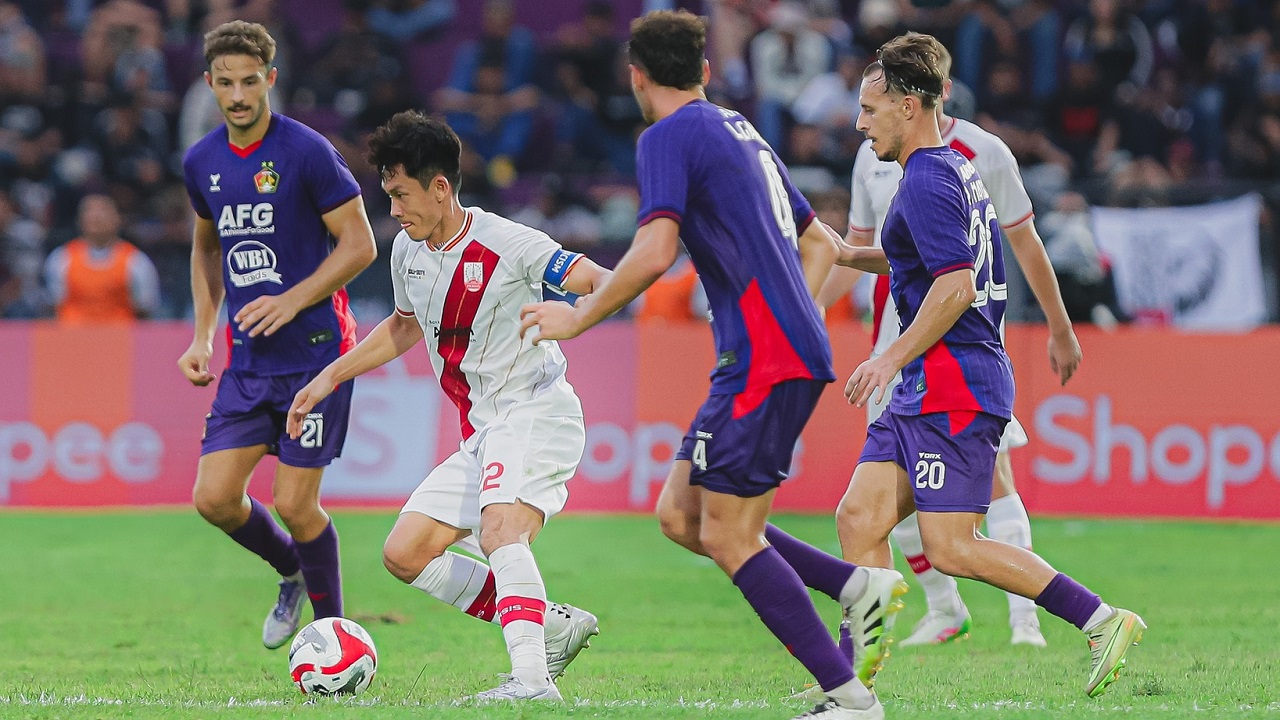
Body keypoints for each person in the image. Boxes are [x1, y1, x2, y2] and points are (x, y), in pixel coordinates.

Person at [520, 11, 901, 720]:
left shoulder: (667, 136)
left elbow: (655, 251)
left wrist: (579, 315)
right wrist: (796, 318)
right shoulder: (740, 128)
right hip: (760, 353)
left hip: (765, 355)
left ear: (635, 77)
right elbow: (819, 242)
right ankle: (854, 587)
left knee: (728, 533)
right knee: (681, 514)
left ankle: (851, 700)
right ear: (702, 70)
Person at [830, 33, 1144, 697]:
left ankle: (1103, 619)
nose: (859, 124)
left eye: (869, 109)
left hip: (954, 384)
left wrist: (887, 357)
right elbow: (912, 258)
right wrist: (829, 249)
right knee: (859, 517)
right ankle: (850, 679)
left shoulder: (925, 183)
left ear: (910, 106)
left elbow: (955, 287)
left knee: (951, 546)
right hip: (927, 384)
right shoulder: (948, 167)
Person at [289, 111, 608, 702]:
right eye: (388, 194)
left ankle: (532, 685)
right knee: (405, 553)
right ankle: (551, 625)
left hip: (536, 412)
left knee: (500, 530)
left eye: (402, 194)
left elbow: (603, 281)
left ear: (441, 187)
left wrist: (575, 315)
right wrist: (328, 377)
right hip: (485, 431)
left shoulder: (509, 243)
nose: (394, 210)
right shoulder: (408, 253)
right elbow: (404, 328)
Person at [177, 21, 378, 649]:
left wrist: (292, 300)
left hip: (316, 356)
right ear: (210, 84)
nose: (238, 95)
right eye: (226, 84)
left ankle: (333, 639)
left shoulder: (307, 151)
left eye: (250, 81)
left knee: (296, 504)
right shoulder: (202, 161)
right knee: (213, 499)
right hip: (247, 363)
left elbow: (361, 244)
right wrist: (203, 335)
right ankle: (291, 570)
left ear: (270, 79)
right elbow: (206, 246)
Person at [45, 194, 160, 322]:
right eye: (89, 211)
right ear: (79, 220)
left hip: (120, 338)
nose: (96, 217)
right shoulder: (61, 258)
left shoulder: (136, 261)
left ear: (118, 218)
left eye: (103, 210)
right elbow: (54, 305)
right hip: (73, 338)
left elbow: (145, 309)